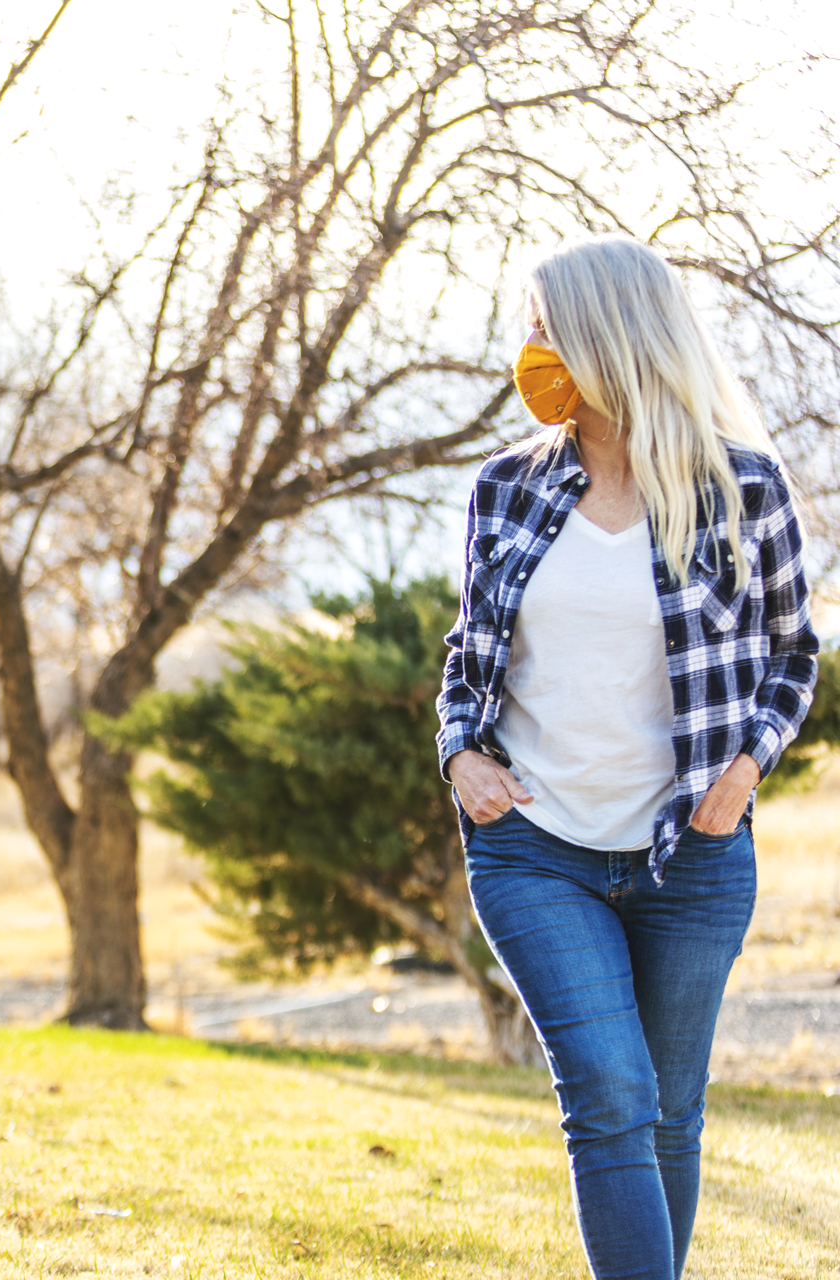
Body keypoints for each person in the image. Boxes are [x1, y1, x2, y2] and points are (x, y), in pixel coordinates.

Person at [438, 235, 817, 1280]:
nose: (527, 349)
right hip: (534, 849)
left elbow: (795, 653)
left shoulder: (743, 487)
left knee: (669, 1112)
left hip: (689, 857)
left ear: (607, 338)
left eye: (542, 326)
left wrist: (746, 768)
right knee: (609, 1093)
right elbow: (466, 651)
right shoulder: (505, 490)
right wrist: (459, 750)